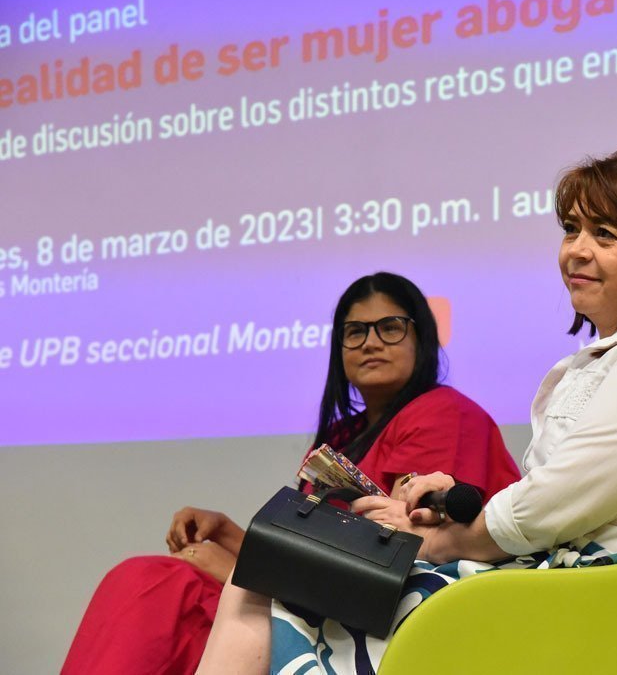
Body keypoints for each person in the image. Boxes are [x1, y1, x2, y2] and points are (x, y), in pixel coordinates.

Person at [197, 150, 617, 675]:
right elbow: (558, 501)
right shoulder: (613, 359)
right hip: (558, 582)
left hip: (603, 597)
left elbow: (547, 508)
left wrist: (436, 541)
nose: (576, 250)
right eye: (571, 229)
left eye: (604, 235)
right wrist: (456, 514)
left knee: (275, 583)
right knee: (274, 577)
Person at [61, 272, 521, 675]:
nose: (371, 342)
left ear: (422, 338)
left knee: (156, 585)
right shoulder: (345, 434)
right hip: (322, 603)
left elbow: (410, 553)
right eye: (355, 331)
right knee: (148, 578)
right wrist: (231, 536)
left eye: (390, 327)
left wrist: (240, 570)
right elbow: (316, 547)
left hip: (394, 614)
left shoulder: (445, 413)